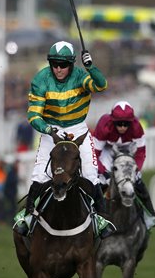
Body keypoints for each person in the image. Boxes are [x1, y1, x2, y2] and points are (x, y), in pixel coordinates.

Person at [15, 40, 115, 237]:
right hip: (51, 130)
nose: (58, 69)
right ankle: (27, 216)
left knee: (90, 172)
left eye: (63, 65)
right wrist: (47, 129)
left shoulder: (80, 76)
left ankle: (101, 219)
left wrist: (90, 67)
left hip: (78, 130)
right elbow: (34, 115)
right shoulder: (41, 79)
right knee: (40, 174)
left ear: (71, 64)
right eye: (54, 64)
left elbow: (101, 85)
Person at [93, 100, 155, 229]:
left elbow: (140, 153)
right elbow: (95, 154)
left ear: (131, 122)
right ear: (112, 121)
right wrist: (103, 172)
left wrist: (136, 170)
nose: (122, 127)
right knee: (101, 181)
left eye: (126, 124)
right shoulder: (103, 125)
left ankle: (149, 215)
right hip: (107, 149)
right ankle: (93, 215)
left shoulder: (136, 127)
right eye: (119, 124)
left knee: (137, 181)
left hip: (128, 150)